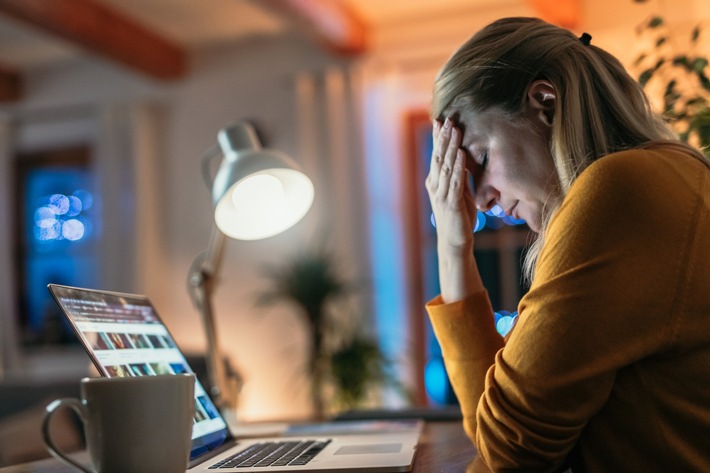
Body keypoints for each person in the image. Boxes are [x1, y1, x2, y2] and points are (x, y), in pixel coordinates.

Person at [425, 17, 710, 472]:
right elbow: (499, 430)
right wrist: (453, 245)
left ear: (546, 103)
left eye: (480, 158)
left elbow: (509, 452)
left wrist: (451, 248)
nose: (477, 201)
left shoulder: (618, 191)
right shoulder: (672, 173)